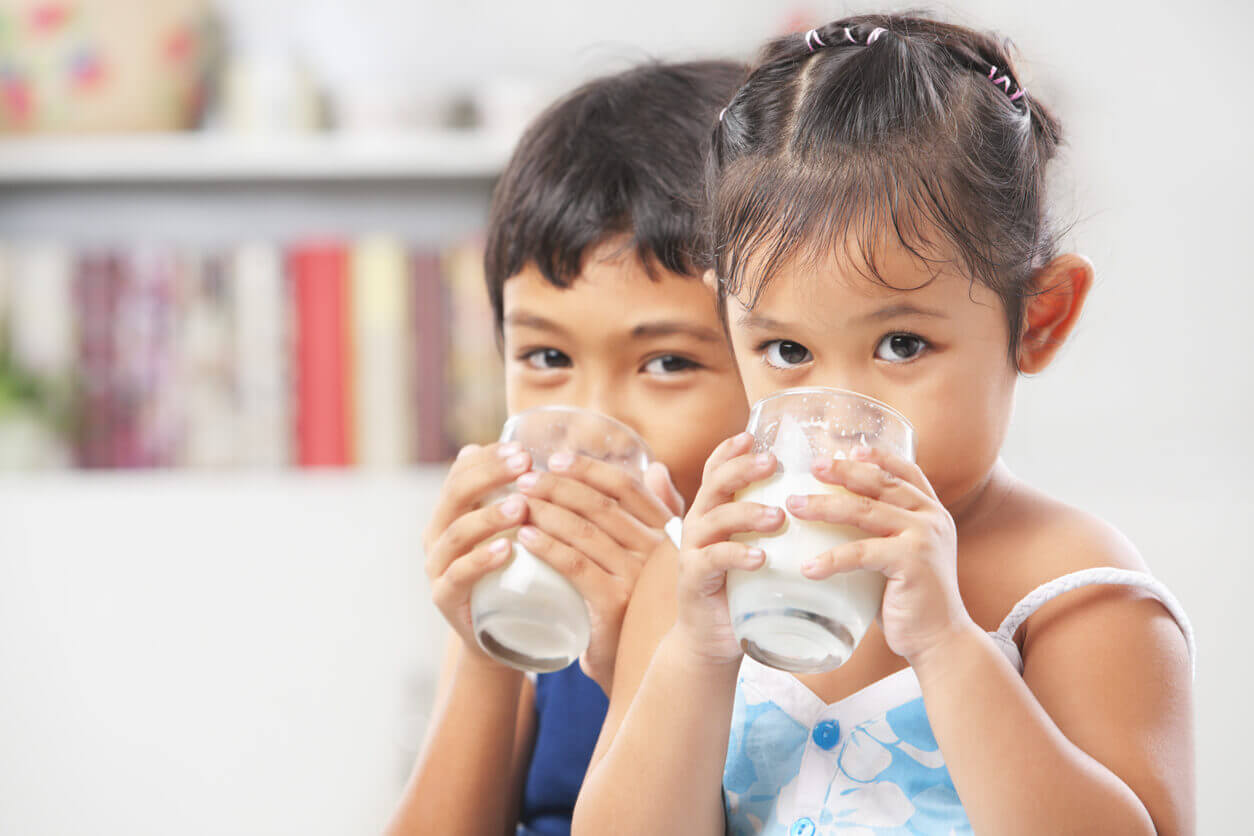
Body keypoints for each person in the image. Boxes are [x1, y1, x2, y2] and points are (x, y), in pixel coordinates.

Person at [574, 14, 1195, 835]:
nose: (841, 409)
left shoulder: (1074, 588)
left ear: (1038, 319)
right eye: (786, 348)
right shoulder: (695, 573)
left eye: (901, 344)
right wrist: (696, 651)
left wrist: (946, 644)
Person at [384, 60, 750, 836]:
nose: (590, 421)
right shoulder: (531, 594)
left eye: (668, 363)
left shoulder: (795, 606)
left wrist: (653, 637)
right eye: (547, 359)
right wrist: (485, 653)